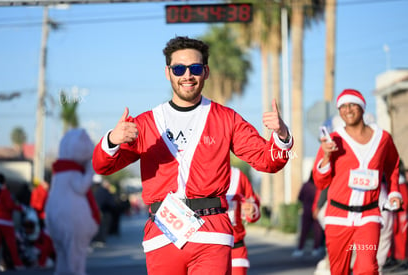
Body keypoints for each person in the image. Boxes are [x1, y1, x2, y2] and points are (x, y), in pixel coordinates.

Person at [92, 36, 293, 275]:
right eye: (179, 68)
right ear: (168, 73)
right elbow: (102, 166)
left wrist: (281, 136)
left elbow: (267, 160)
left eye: (195, 68)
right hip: (163, 232)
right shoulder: (145, 123)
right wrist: (112, 140)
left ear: (206, 72)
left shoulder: (226, 118)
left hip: (212, 232)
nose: (187, 75)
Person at [312, 88, 403, 275]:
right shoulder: (333, 139)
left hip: (369, 216)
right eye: (342, 106)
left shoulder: (382, 138)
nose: (347, 109)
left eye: (352, 104)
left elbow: (392, 164)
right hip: (338, 217)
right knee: (339, 271)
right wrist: (327, 156)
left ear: (362, 107)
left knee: (368, 269)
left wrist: (394, 191)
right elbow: (320, 182)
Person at [45, 128, 100, 275]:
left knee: (62, 254)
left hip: (55, 218)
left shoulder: (59, 171)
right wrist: (90, 170)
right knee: (75, 256)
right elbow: (81, 186)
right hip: (71, 221)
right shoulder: (73, 171)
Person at [226, 167, 260, 275]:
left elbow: (253, 205)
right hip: (204, 249)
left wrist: (252, 210)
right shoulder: (193, 172)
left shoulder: (237, 176)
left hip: (235, 248)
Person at [0, 173, 25, 270]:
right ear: (4, 181)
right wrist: (20, 208)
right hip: (6, 221)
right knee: (11, 244)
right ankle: (17, 264)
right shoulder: (5, 192)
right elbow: (9, 206)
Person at [292, 170, 324, 258]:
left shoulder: (306, 185)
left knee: (304, 231)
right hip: (317, 211)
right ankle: (316, 249)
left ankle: (300, 249)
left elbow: (299, 197)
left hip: (306, 209)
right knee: (317, 231)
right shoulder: (319, 186)